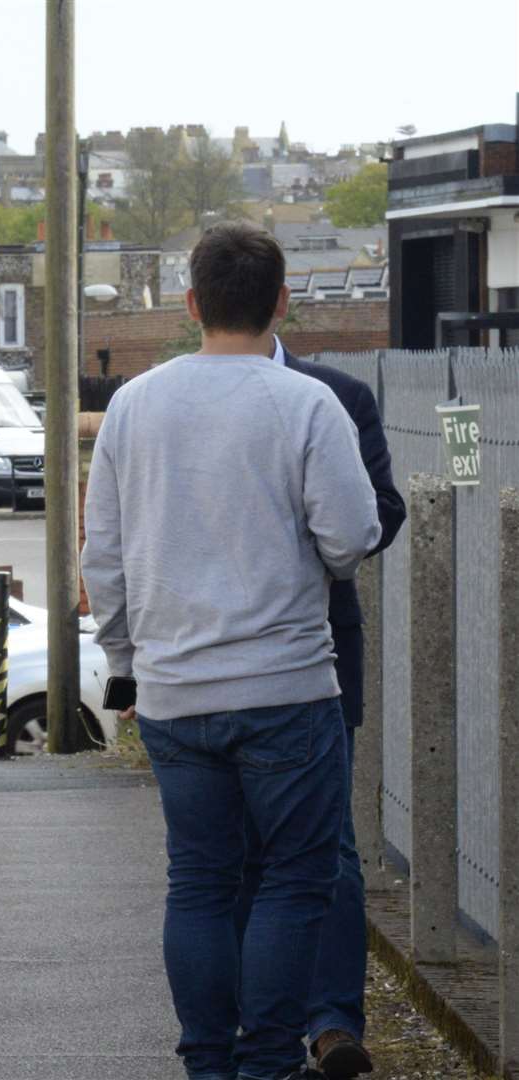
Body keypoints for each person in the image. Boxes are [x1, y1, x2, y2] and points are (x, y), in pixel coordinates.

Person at [80, 222, 382, 1080]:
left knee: (200, 883)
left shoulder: (136, 403)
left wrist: (125, 655)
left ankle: (207, 1063)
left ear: (191, 305)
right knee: (295, 881)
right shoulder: (306, 404)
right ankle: (267, 1065)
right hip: (287, 687)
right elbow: (352, 536)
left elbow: (102, 552)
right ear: (282, 302)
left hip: (177, 693)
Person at [235, 333, 404, 1080]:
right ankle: (259, 1025)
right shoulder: (170, 398)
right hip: (213, 660)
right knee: (235, 856)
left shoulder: (341, 394)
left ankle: (334, 1025)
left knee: (330, 845)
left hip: (319, 656)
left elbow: (384, 514)